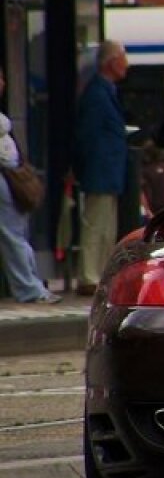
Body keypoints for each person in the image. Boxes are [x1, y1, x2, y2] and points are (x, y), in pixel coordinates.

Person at [72, 41, 129, 296]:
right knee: (96, 224)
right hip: (100, 169)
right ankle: (88, 275)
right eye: (122, 57)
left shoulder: (107, 91)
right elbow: (88, 134)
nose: (126, 64)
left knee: (106, 227)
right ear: (111, 62)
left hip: (109, 170)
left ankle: (100, 274)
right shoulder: (97, 94)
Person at [0, 70, 60, 304]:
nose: (4, 83)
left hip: (10, 175)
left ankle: (32, 284)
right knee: (13, 234)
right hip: (5, 174)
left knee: (18, 231)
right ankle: (29, 288)